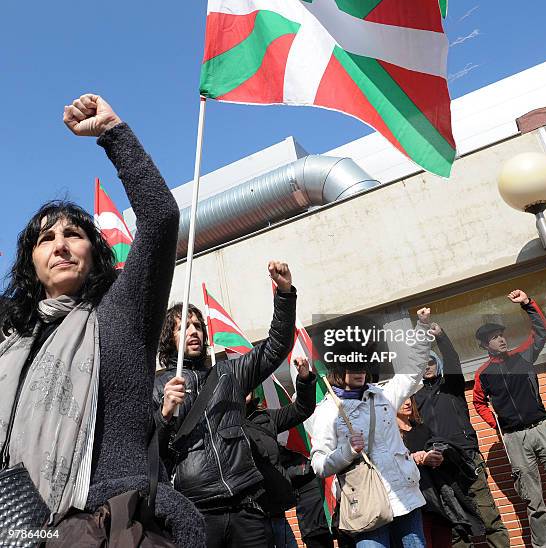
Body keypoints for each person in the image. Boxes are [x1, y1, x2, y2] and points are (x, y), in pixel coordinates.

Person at [0, 95, 204, 546]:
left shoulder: (120, 311)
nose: (60, 245)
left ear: (94, 253)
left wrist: (113, 133)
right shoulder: (11, 341)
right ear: (30, 262)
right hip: (21, 529)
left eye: (73, 234)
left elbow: (160, 217)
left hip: (113, 523)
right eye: (45, 238)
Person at [153, 262, 296, 548]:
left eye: (197, 326)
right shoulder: (157, 388)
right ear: (168, 338)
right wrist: (164, 414)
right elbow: (150, 452)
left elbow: (276, 346)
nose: (193, 331)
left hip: (246, 507)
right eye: (183, 327)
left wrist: (284, 293)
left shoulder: (228, 374)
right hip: (197, 512)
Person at [310, 307, 434, 548]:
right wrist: (347, 451)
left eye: (363, 365)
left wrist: (421, 329)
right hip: (366, 505)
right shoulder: (326, 411)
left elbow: (412, 371)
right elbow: (319, 464)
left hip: (404, 497)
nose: (361, 371)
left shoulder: (383, 394)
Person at [473, 288, 546, 548]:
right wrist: (496, 425)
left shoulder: (523, 356)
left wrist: (527, 304)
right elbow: (478, 402)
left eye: (501, 335)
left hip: (542, 430)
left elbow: (542, 331)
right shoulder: (483, 373)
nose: (500, 339)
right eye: (494, 338)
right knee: (533, 503)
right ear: (484, 345)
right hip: (514, 440)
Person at [414, 323, 509, 548]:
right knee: (456, 527)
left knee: (489, 518)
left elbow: (452, 360)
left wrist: (441, 336)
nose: (427, 367)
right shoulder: (415, 399)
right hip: (440, 466)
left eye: (430, 362)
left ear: (436, 364)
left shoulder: (452, 385)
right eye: (421, 364)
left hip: (467, 459)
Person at [244, 356, 317, 547]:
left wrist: (305, 379)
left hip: (277, 515)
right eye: (238, 383)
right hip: (248, 523)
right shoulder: (220, 426)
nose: (244, 387)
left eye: (247, 383)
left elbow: (302, 409)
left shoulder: (266, 418)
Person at [397, 397, 484, 548]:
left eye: (410, 398)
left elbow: (440, 451)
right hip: (416, 505)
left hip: (439, 501)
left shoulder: (422, 429)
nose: (408, 403)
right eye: (402, 399)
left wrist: (440, 456)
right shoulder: (391, 438)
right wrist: (415, 459)